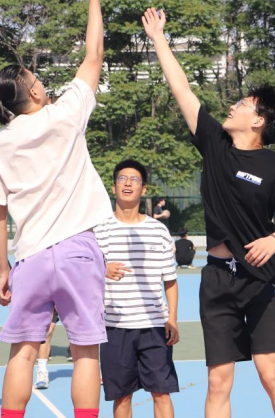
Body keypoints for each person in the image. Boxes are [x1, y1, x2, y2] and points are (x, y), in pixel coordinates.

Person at [142, 7, 275, 418]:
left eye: (242, 104)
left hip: (262, 278)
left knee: (271, 375)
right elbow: (182, 90)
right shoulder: (215, 144)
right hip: (218, 280)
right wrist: (159, 39)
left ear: (259, 121)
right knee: (219, 381)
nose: (233, 107)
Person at [0, 0, 113, 418]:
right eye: (38, 80)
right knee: (85, 352)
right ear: (34, 93)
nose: (43, 84)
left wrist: (3, 272)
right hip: (78, 249)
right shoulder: (65, 115)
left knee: (22, 351)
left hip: (32, 256)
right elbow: (93, 57)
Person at [96, 159, 180, 418]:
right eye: (122, 178)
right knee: (122, 396)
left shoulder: (159, 231)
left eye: (134, 180)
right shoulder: (98, 230)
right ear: (114, 187)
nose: (128, 183)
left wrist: (172, 318)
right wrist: (102, 269)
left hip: (154, 326)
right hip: (114, 326)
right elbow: (82, 274)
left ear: (143, 189)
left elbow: (170, 280)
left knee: (162, 393)